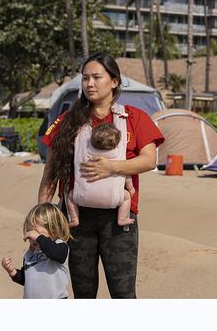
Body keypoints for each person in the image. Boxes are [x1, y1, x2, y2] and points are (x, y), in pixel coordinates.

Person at [39, 52, 164, 299]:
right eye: (85, 78)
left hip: (120, 220)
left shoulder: (134, 118)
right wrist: (41, 218)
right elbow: (51, 173)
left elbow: (149, 160)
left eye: (97, 77)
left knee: (123, 293)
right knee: (84, 294)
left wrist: (112, 167)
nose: (90, 84)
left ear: (114, 81)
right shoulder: (66, 121)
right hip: (75, 219)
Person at [65, 121, 135, 229]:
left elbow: (78, 143)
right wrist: (130, 188)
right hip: (112, 198)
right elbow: (127, 175)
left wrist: (81, 131)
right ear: (116, 142)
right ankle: (122, 218)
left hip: (83, 197)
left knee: (70, 196)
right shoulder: (118, 157)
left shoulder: (84, 153)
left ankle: (74, 219)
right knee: (126, 197)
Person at [0, 203, 71, 299]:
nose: (32, 237)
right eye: (30, 233)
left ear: (53, 228)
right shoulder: (29, 254)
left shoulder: (60, 245)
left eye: (36, 232)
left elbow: (56, 253)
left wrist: (38, 238)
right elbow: (28, 280)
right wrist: (12, 272)